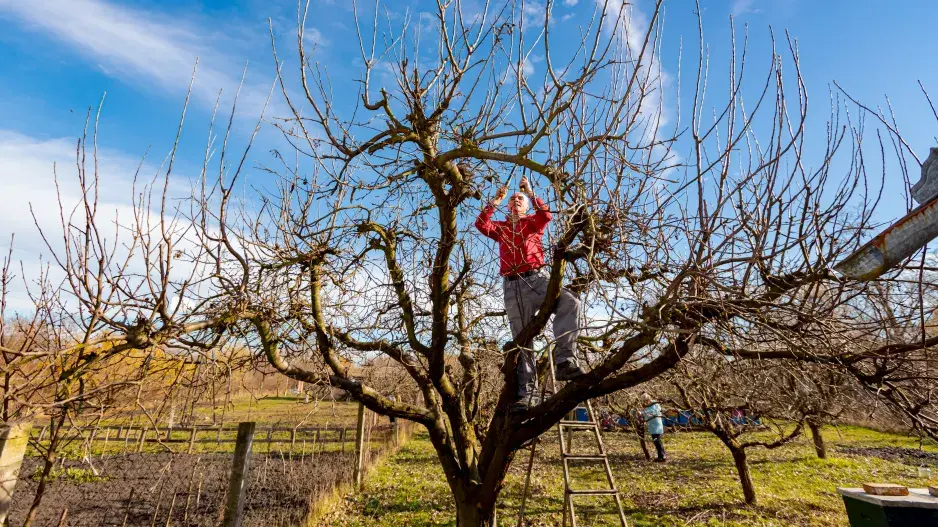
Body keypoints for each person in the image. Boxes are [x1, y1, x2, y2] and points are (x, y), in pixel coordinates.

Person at [474, 175, 585, 412]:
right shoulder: (502, 228)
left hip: (538, 279)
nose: (516, 200)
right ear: (507, 206)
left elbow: (546, 215)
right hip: (513, 286)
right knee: (523, 339)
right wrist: (495, 200)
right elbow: (482, 224)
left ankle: (565, 359)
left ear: (526, 205)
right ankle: (528, 395)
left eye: (520, 199)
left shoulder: (533, 222)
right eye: (512, 199)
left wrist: (531, 192)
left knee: (571, 302)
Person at [641, 392, 667, 462]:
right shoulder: (645, 406)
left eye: (646, 400)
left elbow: (653, 412)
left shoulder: (655, 404)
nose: (645, 402)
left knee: (657, 440)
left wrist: (643, 413)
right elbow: (644, 414)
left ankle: (661, 456)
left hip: (656, 424)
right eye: (644, 401)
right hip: (651, 425)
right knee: (657, 440)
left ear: (649, 398)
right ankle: (662, 455)